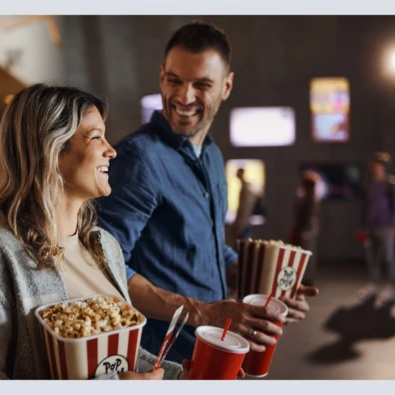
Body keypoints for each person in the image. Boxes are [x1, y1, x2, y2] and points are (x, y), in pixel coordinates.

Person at [96, 21, 319, 364]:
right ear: (161, 77)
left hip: (215, 350)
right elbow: (104, 269)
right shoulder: (137, 158)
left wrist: (275, 289)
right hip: (161, 359)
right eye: (174, 81)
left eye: (202, 85)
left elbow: (209, 250)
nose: (184, 97)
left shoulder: (212, 156)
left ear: (226, 86)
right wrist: (203, 312)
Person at [0, 84, 186, 380]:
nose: (111, 151)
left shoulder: (105, 246)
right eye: (96, 137)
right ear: (53, 150)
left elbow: (122, 356)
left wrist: (190, 374)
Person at [357, 152, 395, 305]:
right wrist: (363, 226)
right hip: (370, 227)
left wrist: (392, 224)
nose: (375, 167)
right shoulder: (371, 184)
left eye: (377, 164)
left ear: (383, 166)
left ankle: (389, 288)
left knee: (389, 258)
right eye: (373, 165)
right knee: (372, 258)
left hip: (386, 227)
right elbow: (365, 207)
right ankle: (373, 285)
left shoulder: (391, 183)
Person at [290, 171, 321, 286]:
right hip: (304, 229)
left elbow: (309, 217)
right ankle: (305, 278)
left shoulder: (311, 199)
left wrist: (305, 233)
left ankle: (307, 279)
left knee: (307, 255)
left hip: (307, 230)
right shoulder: (307, 197)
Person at [232, 167, 256, 240]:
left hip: (244, 223)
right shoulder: (245, 186)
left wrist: (241, 225)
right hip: (244, 222)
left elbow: (246, 208)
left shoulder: (246, 188)